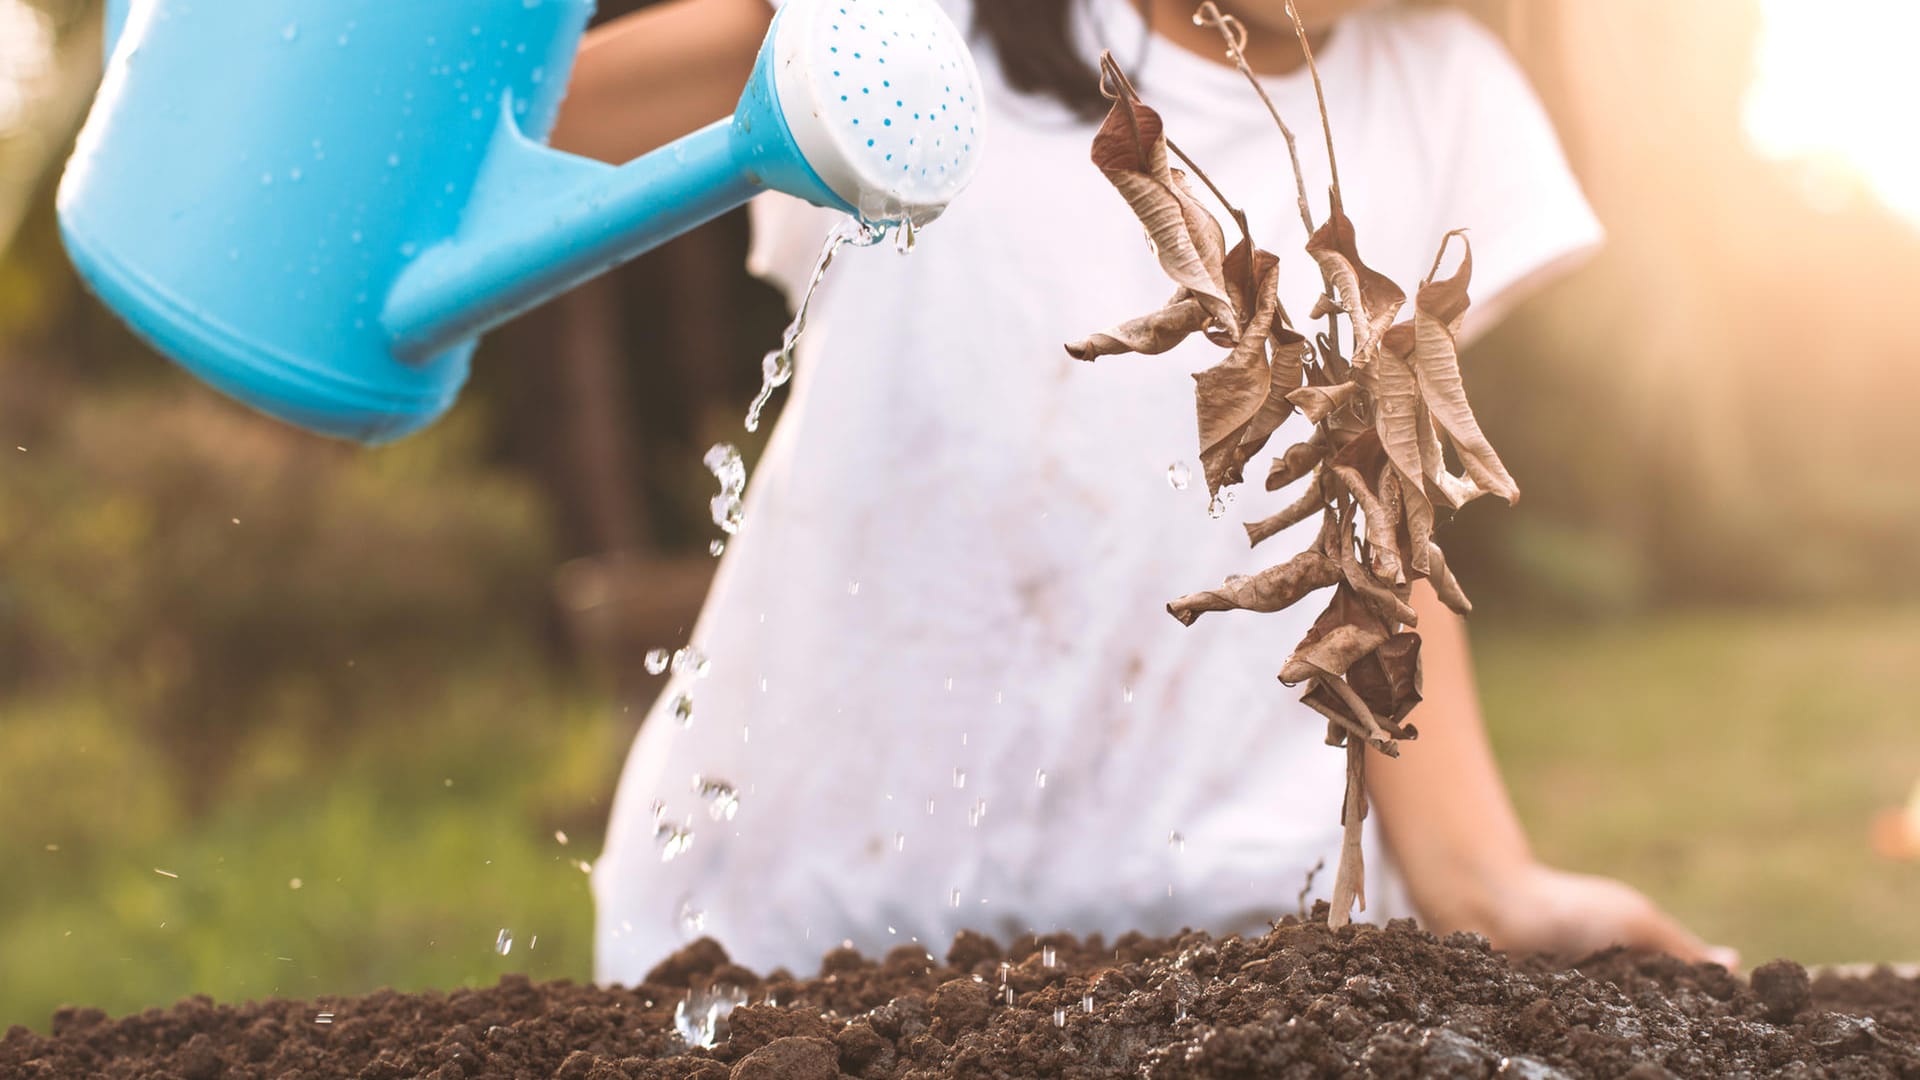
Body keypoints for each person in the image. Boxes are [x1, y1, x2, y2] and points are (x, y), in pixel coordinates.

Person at [555, 0, 1739, 982]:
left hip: (1230, 964)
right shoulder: (918, 28)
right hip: (786, 947)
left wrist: (1484, 878)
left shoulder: (1445, 94)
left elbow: (1381, 513)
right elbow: (507, 142)